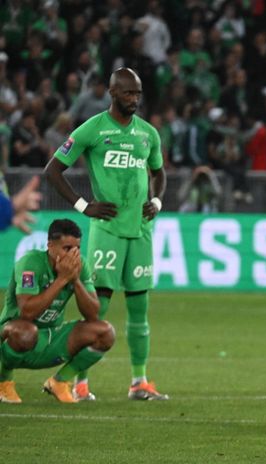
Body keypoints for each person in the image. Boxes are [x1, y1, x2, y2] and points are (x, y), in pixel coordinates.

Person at [44, 67, 168, 401]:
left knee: (140, 307)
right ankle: (80, 383)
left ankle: (139, 382)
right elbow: (53, 170)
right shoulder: (93, 129)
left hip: (140, 232)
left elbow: (159, 172)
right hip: (107, 231)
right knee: (96, 309)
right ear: (112, 93)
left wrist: (156, 200)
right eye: (129, 93)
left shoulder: (148, 134)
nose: (135, 100)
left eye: (138, 94)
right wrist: (84, 206)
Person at [0, 219, 114, 403]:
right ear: (50, 246)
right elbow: (27, 313)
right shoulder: (30, 263)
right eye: (67, 248)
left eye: (77, 248)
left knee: (105, 332)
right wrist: (62, 280)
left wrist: (75, 280)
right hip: (14, 336)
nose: (73, 254)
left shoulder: (79, 265)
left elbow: (93, 314)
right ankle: (3, 382)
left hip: (51, 338)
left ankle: (60, 382)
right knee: (26, 332)